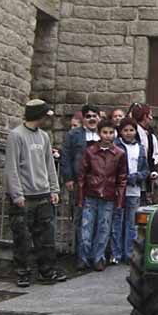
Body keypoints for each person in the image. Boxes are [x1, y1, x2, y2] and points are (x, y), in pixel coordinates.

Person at [5, 100, 66, 287]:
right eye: (45, 115)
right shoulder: (16, 136)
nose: (48, 119)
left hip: (43, 194)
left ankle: (46, 270)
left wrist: (54, 189)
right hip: (25, 196)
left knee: (46, 237)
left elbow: (49, 164)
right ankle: (22, 272)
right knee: (22, 238)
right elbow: (12, 167)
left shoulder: (44, 137)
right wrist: (17, 194)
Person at [77, 118, 127, 271]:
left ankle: (98, 258)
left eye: (111, 132)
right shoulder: (90, 151)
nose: (108, 136)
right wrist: (80, 198)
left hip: (109, 196)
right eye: (105, 132)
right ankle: (84, 258)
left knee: (104, 230)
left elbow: (122, 178)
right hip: (91, 195)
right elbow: (81, 176)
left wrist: (119, 201)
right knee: (86, 230)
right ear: (99, 134)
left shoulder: (119, 153)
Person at [61, 104, 100, 264]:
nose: (91, 119)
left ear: (99, 117)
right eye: (88, 116)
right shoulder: (73, 135)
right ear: (83, 119)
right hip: (80, 183)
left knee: (99, 220)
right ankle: (81, 256)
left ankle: (96, 256)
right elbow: (66, 157)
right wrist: (68, 178)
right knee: (80, 218)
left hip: (100, 184)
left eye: (94, 115)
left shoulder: (104, 134)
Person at [111, 118, 148, 264]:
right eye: (125, 130)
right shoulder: (116, 146)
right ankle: (116, 254)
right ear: (120, 132)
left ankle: (129, 253)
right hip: (119, 190)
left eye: (131, 130)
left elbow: (145, 169)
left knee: (132, 223)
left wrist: (137, 177)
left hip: (134, 190)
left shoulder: (140, 147)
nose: (128, 133)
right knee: (117, 222)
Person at [129, 104, 158, 200]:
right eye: (150, 115)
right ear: (145, 116)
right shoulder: (132, 133)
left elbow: (153, 156)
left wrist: (152, 171)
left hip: (145, 180)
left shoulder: (150, 135)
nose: (151, 118)